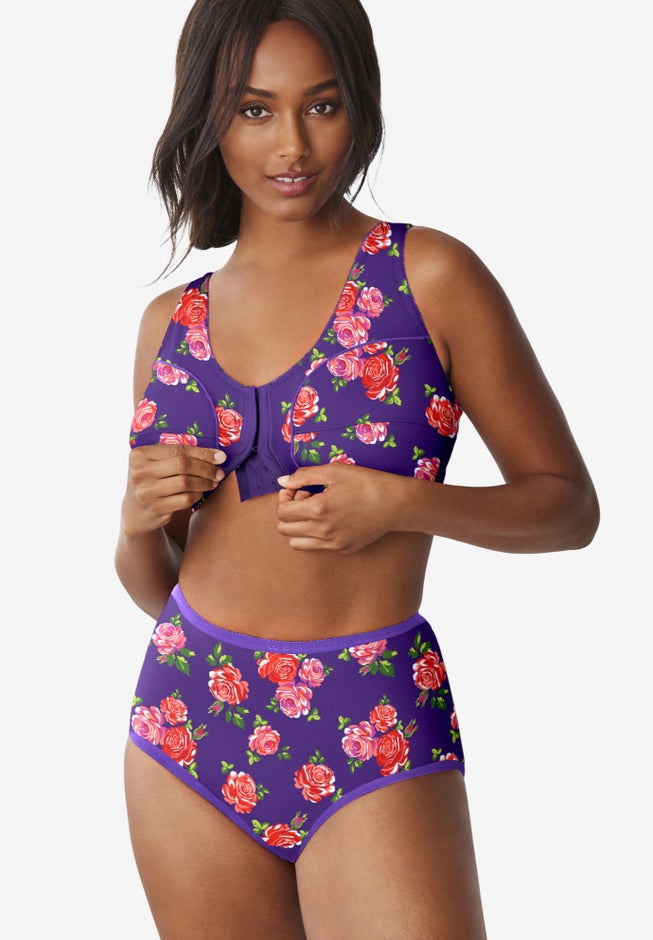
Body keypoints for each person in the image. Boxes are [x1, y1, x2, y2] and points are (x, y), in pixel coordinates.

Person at [116, 0, 600, 936]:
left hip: (370, 712)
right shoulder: (169, 324)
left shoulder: (430, 276)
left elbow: (568, 508)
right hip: (185, 719)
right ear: (207, 117)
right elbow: (155, 588)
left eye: (321, 105)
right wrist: (135, 521)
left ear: (360, 106)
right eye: (253, 109)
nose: (291, 145)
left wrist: (402, 503)